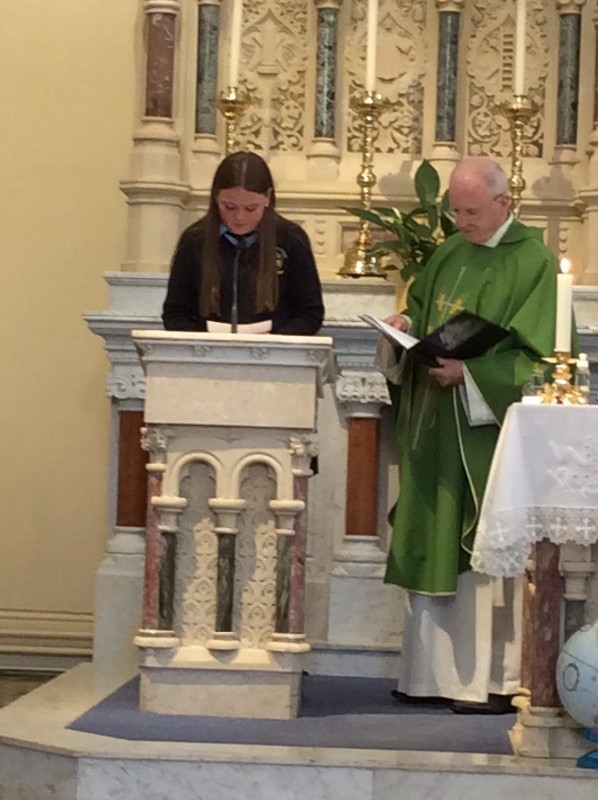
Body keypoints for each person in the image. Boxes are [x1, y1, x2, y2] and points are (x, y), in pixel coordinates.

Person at [378, 156, 561, 714]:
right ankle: (428, 677)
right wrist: (404, 326)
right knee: (431, 533)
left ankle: (488, 682)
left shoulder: (533, 262)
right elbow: (420, 308)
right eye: (455, 211)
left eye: (472, 212)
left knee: (480, 542)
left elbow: (543, 359)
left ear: (505, 203)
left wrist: (472, 374)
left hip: (485, 436)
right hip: (434, 425)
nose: (461, 222)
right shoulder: (450, 251)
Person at [162, 151, 324, 335]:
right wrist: (202, 338)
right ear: (215, 197)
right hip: (207, 349)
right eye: (229, 207)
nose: (239, 217)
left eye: (251, 208)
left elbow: (310, 313)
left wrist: (277, 340)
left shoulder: (291, 239)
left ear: (268, 197)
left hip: (274, 349)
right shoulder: (195, 240)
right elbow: (176, 313)